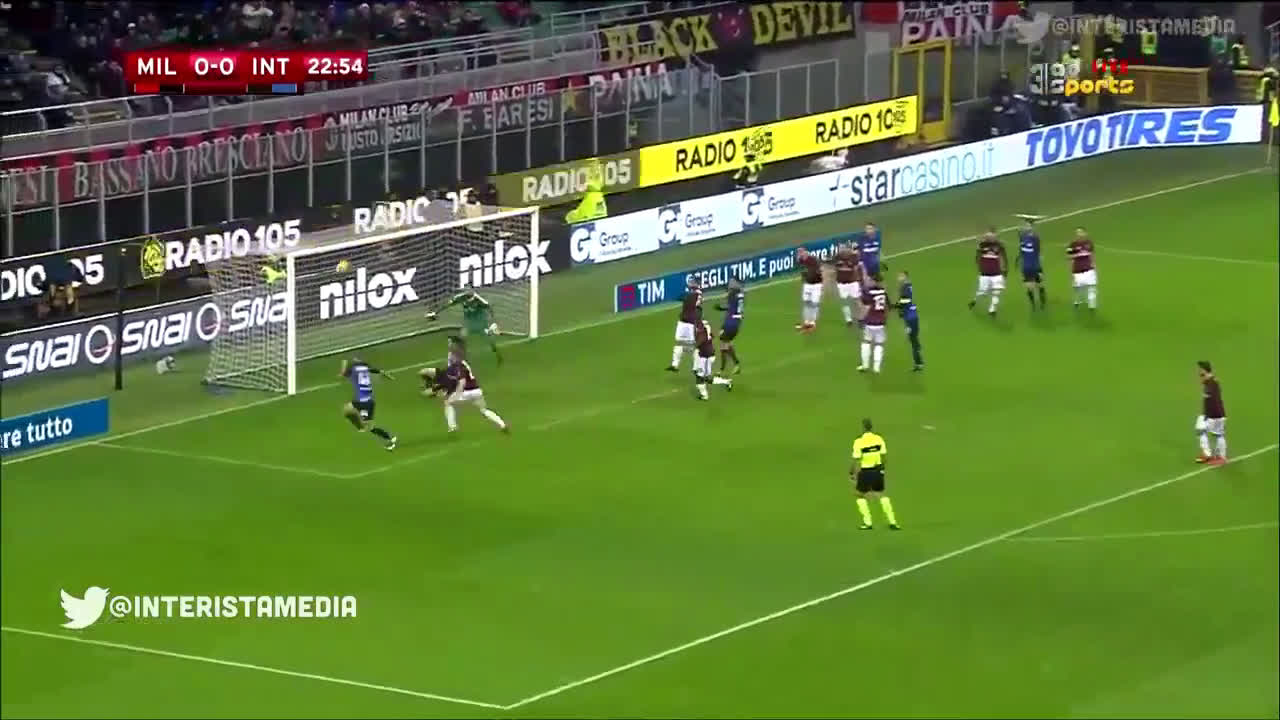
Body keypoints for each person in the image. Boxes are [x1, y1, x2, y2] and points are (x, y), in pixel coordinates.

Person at [422, 359, 509, 434]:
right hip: (477, 391)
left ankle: (452, 426)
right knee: (484, 410)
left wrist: (454, 394)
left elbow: (460, 382)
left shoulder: (456, 368)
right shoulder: (464, 365)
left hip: (466, 392)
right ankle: (502, 425)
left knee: (448, 403)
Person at [426, 290, 502, 364]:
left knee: (490, 340)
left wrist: (494, 322)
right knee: (461, 339)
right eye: (468, 300)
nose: (470, 302)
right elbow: (448, 304)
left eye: (471, 300)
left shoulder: (480, 301)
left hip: (480, 325)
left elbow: (489, 307)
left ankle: (498, 356)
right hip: (469, 325)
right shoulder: (460, 298)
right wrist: (435, 312)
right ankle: (461, 358)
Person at [850, 418, 899, 530]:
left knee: (859, 495)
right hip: (877, 470)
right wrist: (882, 469)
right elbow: (884, 456)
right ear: (871, 427)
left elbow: (856, 459)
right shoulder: (878, 439)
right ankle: (892, 521)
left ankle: (868, 522)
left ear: (863, 428)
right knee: (881, 494)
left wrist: (852, 472)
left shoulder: (859, 441)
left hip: (865, 472)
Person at [339, 358, 397, 451]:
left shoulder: (353, 369)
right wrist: (387, 375)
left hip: (364, 401)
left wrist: (344, 363)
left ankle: (389, 438)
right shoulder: (365, 368)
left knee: (368, 426)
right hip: (365, 400)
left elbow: (342, 375)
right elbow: (378, 370)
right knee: (348, 410)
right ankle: (361, 427)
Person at [1194, 361, 1228, 465]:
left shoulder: (1212, 383)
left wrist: (1211, 416)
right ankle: (1207, 454)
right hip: (1209, 414)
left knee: (1218, 435)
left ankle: (1221, 457)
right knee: (1200, 429)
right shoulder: (1208, 382)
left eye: (1200, 369)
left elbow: (1214, 401)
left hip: (1216, 415)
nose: (1198, 371)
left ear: (1204, 370)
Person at [968, 229, 1007, 317]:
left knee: (996, 293)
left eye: (993, 236)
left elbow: (1002, 257)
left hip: (997, 274)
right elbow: (977, 257)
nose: (991, 238)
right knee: (983, 293)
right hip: (985, 274)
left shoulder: (999, 246)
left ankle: (992, 310)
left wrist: (1004, 269)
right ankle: (974, 301)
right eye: (989, 236)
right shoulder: (982, 245)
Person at [667, 276, 703, 372]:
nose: (690, 283)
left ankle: (696, 367)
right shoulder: (691, 293)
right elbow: (680, 298)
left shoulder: (697, 293)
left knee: (693, 346)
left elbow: (684, 298)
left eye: (692, 282)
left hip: (690, 324)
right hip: (683, 322)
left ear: (697, 283)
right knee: (679, 342)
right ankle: (675, 365)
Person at [693, 321, 732, 400]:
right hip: (706, 356)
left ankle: (704, 396)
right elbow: (711, 336)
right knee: (705, 378)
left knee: (700, 378)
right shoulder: (705, 327)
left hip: (705, 357)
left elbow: (699, 342)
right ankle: (727, 381)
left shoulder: (701, 331)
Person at [857, 275, 889, 374]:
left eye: (871, 280)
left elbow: (865, 307)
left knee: (866, 342)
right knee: (879, 344)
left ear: (874, 281)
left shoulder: (869, 292)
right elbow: (887, 307)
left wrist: (861, 319)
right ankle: (876, 367)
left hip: (870, 321)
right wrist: (884, 318)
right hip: (881, 322)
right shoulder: (883, 292)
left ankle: (865, 365)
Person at [715, 277, 744, 375]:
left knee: (723, 343)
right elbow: (732, 307)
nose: (729, 284)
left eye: (732, 282)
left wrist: (721, 307)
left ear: (736, 283)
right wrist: (722, 308)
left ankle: (723, 369)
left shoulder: (732, 293)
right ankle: (733, 366)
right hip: (735, 321)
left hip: (731, 322)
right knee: (726, 343)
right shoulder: (740, 293)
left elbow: (728, 301)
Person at [1016, 215, 1046, 310]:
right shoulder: (1022, 237)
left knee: (1040, 285)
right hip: (1026, 267)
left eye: (1028, 226)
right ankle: (1033, 305)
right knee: (1029, 287)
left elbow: (1038, 250)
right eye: (1026, 226)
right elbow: (1021, 249)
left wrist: (1031, 223)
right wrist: (1018, 260)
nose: (1026, 227)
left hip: (1036, 266)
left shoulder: (1035, 238)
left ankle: (1042, 303)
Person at [896, 270, 924, 372]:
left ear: (905, 277)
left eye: (900, 276)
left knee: (913, 340)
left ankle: (918, 363)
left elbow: (905, 300)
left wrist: (896, 306)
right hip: (912, 316)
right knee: (913, 339)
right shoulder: (907, 286)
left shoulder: (905, 287)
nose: (898, 278)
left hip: (910, 318)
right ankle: (918, 358)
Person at [1067, 226, 1098, 312]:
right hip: (1077, 270)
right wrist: (1077, 255)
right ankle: (1077, 301)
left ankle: (1092, 306)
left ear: (1085, 233)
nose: (1079, 234)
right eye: (1077, 232)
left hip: (1089, 269)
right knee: (1078, 288)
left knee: (1091, 287)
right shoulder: (1072, 244)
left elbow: (1092, 255)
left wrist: (1094, 266)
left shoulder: (1089, 243)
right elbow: (1068, 256)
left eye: (1081, 232)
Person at [832, 243, 864, 328]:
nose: (842, 251)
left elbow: (857, 269)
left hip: (852, 283)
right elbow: (834, 269)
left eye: (843, 249)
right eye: (840, 249)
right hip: (842, 284)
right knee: (845, 301)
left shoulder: (853, 257)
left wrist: (859, 280)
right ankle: (848, 320)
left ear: (847, 249)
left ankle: (861, 319)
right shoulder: (836, 258)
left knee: (857, 301)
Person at [795, 247, 824, 333]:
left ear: (806, 252)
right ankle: (807, 322)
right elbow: (798, 262)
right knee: (807, 302)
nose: (801, 254)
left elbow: (819, 270)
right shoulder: (801, 261)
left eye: (802, 252)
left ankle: (813, 322)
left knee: (814, 303)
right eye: (799, 253)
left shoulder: (813, 260)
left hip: (816, 285)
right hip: (807, 284)